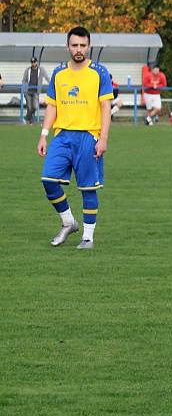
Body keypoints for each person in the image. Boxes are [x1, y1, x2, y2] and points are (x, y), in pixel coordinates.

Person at [38, 26, 113, 250]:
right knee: (48, 181)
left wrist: (103, 138)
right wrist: (43, 135)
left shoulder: (99, 72)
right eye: (74, 45)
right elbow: (52, 106)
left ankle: (88, 237)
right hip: (62, 137)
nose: (78, 49)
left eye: (82, 45)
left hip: (88, 137)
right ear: (68, 47)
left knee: (88, 188)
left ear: (89, 46)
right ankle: (68, 222)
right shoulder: (59, 73)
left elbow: (106, 107)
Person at [23, 57, 49, 124]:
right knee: (29, 106)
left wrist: (51, 83)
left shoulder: (41, 69)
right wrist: (25, 88)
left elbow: (47, 77)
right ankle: (30, 121)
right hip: (28, 91)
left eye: (34, 62)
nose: (33, 63)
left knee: (35, 106)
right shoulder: (28, 70)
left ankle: (26, 118)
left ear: (36, 62)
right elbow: (24, 80)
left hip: (36, 91)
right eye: (32, 62)